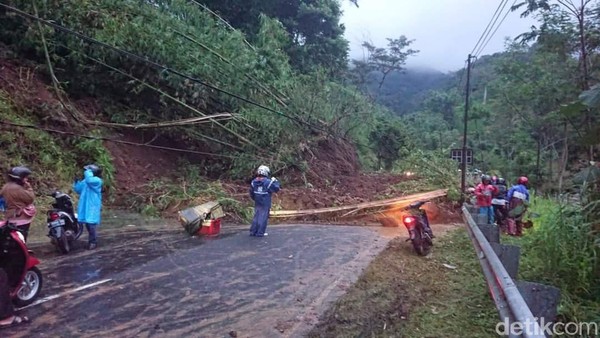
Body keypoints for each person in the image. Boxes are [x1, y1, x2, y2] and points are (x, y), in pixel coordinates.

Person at [0, 166, 36, 241]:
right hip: (20, 218)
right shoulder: (17, 188)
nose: (26, 179)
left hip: (10, 217)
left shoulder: (6, 187)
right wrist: (29, 188)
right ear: (19, 178)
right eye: (25, 177)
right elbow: (30, 199)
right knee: (21, 238)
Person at [73, 164, 103, 250]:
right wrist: (76, 181)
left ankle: (93, 242)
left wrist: (88, 170)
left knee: (91, 223)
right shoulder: (86, 180)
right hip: (85, 204)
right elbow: (78, 189)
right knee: (87, 223)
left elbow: (90, 180)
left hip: (92, 205)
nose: (85, 172)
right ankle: (91, 240)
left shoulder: (97, 180)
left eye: (89, 171)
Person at [249, 165, 280, 237]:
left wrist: (255, 198)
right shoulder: (268, 182)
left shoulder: (253, 182)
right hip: (265, 202)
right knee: (263, 217)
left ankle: (253, 231)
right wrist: (275, 181)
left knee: (256, 215)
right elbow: (276, 188)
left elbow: (251, 192)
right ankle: (260, 232)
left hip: (257, 201)